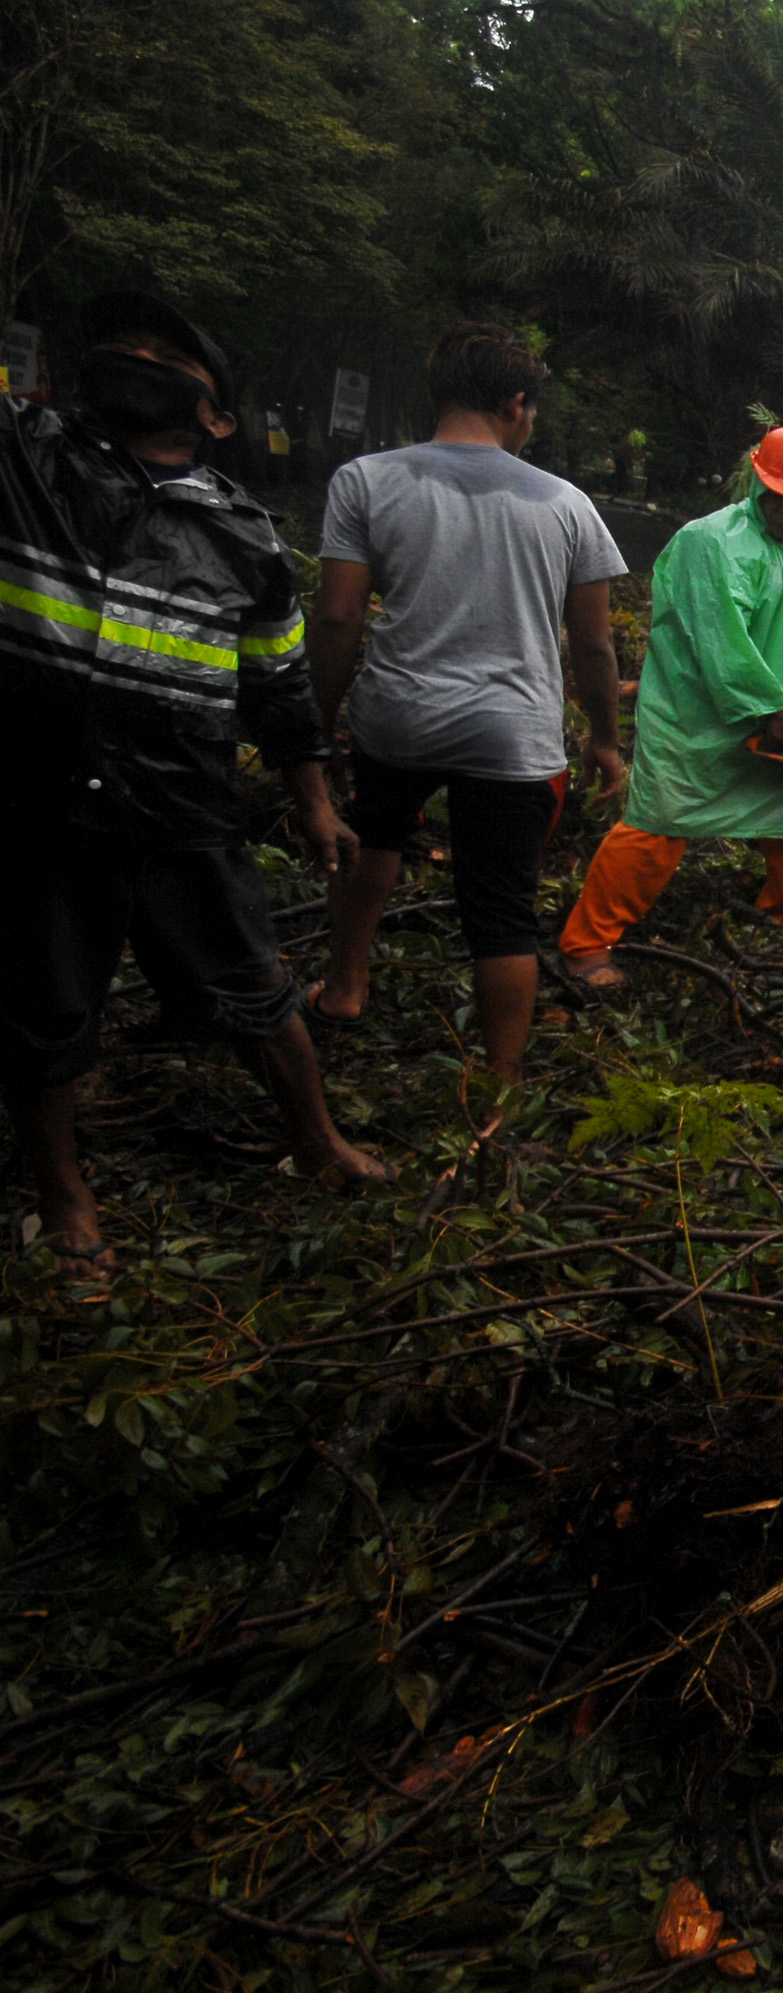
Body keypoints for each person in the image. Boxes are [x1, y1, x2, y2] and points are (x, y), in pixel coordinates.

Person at [0, 291, 386, 1276]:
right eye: (122, 345)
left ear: (216, 413)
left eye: (165, 352)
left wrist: (312, 797)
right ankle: (64, 1197)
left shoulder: (243, 534)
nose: (135, 354)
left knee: (257, 981)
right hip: (40, 799)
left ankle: (319, 1143)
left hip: (184, 802)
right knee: (47, 1005)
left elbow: (281, 682)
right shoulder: (27, 460)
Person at [306, 324, 630, 1086]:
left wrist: (314, 722)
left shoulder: (366, 481)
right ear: (517, 404)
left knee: (374, 841)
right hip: (514, 739)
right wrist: (605, 739)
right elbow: (593, 647)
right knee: (502, 913)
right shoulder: (567, 504)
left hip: (395, 720)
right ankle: (500, 1085)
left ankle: (345, 990)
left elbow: (338, 619)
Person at [557, 425, 783, 991]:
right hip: (697, 719)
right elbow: (720, 639)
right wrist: (767, 705)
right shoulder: (711, 542)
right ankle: (585, 945)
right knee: (658, 826)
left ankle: (780, 929)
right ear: (756, 481)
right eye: (782, 499)